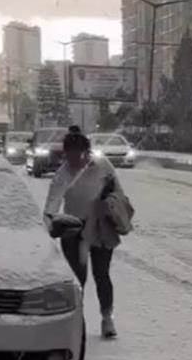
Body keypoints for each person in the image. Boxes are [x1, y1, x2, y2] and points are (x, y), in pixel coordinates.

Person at [43, 126, 130, 338]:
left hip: (100, 227)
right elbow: (52, 204)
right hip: (73, 229)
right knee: (77, 280)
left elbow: (118, 191)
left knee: (101, 274)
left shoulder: (102, 166)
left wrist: (110, 204)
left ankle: (107, 318)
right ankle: (76, 322)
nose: (74, 161)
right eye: (69, 156)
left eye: (78, 155)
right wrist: (47, 224)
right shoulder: (63, 174)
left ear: (86, 152)